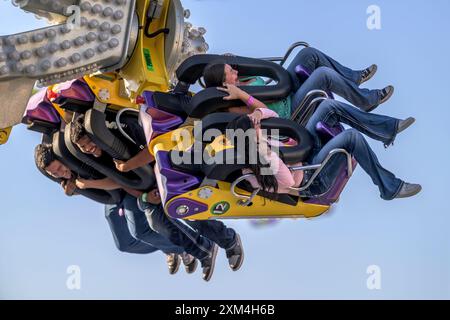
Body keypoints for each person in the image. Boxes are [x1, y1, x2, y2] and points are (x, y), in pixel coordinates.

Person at [69, 115, 245, 281]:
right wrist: (145, 196)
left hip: (169, 170)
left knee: (187, 212)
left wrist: (129, 165)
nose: (88, 149)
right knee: (156, 223)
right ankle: (203, 251)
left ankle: (229, 240)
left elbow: (155, 149)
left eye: (89, 143)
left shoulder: (121, 130)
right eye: (83, 147)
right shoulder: (95, 157)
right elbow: (122, 182)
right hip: (148, 190)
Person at [222, 84, 422, 201]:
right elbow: (289, 182)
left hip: (306, 149)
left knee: (328, 105)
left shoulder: (261, 131)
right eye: (254, 126)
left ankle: (385, 129)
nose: (258, 126)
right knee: (351, 137)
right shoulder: (251, 170)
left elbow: (273, 115)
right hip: (312, 177)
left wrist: (258, 113)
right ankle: (389, 188)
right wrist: (263, 148)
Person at [34, 143, 196, 275]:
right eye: (54, 173)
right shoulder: (61, 176)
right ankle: (168, 247)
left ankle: (188, 247)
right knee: (124, 244)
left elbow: (118, 181)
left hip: (128, 188)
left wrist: (87, 185)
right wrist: (72, 189)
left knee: (140, 232)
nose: (61, 173)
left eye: (60, 168)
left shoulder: (80, 159)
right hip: (113, 199)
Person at [203, 47, 394, 116]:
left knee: (307, 54)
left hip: (285, 90)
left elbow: (238, 65)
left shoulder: (241, 78)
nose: (235, 71)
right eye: (231, 72)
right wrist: (243, 95)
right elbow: (263, 111)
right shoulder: (231, 105)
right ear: (223, 82)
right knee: (323, 75)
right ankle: (367, 100)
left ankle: (352, 77)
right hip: (289, 109)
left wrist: (230, 59)